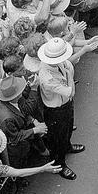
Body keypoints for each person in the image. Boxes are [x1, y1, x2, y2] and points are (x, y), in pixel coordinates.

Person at [37, 37, 81, 180]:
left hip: (65, 104)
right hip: (56, 110)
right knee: (58, 138)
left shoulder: (58, 63)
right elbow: (70, 91)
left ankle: (67, 146)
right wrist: (69, 75)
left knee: (67, 129)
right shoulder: (47, 77)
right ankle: (60, 164)